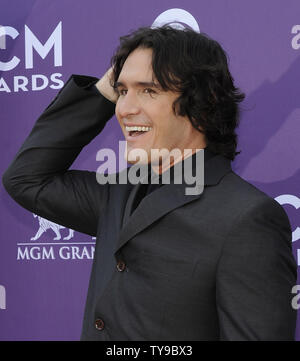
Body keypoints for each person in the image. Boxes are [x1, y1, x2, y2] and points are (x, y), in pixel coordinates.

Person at [2, 25, 297, 341]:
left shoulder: (247, 219)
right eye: (123, 91)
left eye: (149, 90)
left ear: (204, 101)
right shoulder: (117, 193)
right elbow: (27, 178)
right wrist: (102, 91)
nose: (125, 109)